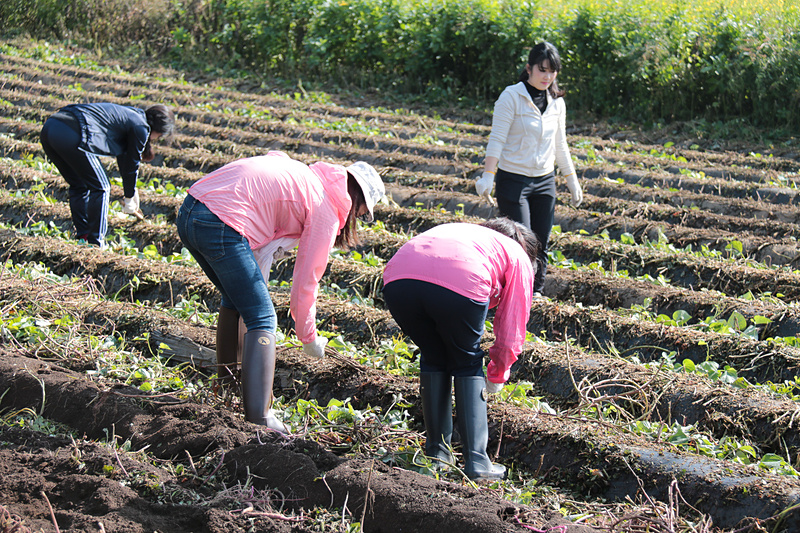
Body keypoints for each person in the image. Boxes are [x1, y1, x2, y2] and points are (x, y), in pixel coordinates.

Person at [176, 151, 385, 434]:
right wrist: (308, 337)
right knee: (263, 319)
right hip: (220, 221)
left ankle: (225, 389)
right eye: (362, 213)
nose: (358, 218)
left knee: (236, 301)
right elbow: (306, 281)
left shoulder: (305, 176)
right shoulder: (325, 206)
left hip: (191, 209)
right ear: (357, 199)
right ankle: (260, 418)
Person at [382, 218, 538, 480]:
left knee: (434, 355)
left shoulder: (466, 233)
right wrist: (498, 373)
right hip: (459, 280)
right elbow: (511, 330)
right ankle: (477, 462)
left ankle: (437, 454)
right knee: (467, 362)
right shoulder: (518, 257)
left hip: (398, 281)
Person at [475, 41, 582, 298]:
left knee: (542, 243)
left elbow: (561, 144)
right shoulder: (511, 96)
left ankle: (536, 295)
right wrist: (489, 175)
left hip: (544, 181)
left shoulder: (557, 103)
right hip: (514, 180)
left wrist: (572, 180)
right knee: (521, 244)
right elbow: (497, 139)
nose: (547, 76)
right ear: (529, 68)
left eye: (552, 71)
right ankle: (513, 296)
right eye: (542, 69)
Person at [40, 102, 176, 247]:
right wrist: (129, 198)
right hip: (74, 132)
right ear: (159, 130)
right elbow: (132, 165)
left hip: (50, 128)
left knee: (79, 185)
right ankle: (96, 243)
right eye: (160, 136)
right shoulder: (141, 127)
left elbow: (125, 161)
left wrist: (130, 192)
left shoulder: (132, 116)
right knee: (102, 187)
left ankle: (83, 238)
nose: (156, 139)